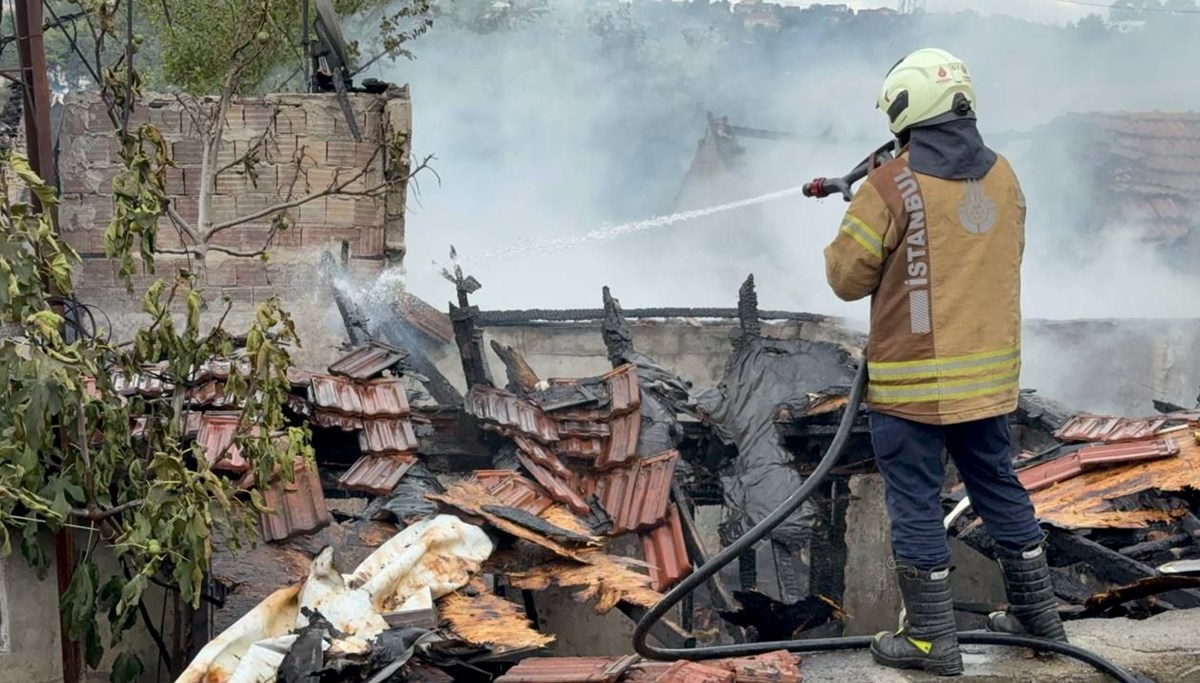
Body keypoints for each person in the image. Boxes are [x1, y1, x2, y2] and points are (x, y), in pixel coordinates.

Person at [822, 47, 1068, 676]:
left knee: (915, 502)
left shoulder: (888, 187)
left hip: (913, 390)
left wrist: (865, 201)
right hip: (989, 386)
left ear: (904, 110)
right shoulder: (1006, 175)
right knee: (1000, 489)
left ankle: (932, 641)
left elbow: (846, 279)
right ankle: (1041, 624)